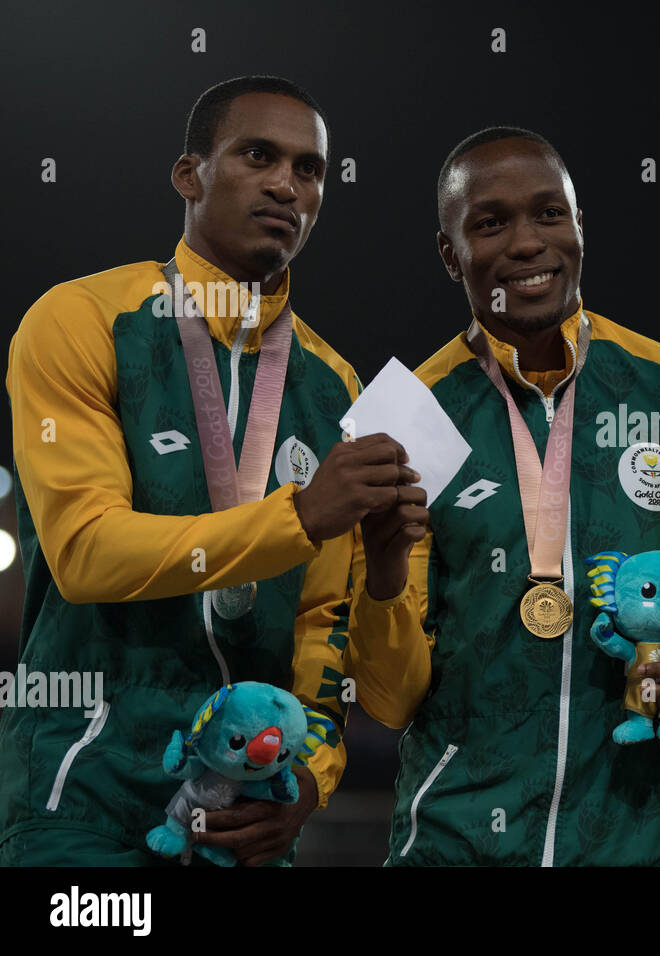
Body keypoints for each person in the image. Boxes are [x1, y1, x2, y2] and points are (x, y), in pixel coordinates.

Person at [0, 75, 425, 866]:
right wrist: (297, 518)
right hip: (80, 791)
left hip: (247, 815)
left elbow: (320, 624)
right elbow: (86, 552)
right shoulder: (84, 319)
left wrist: (308, 780)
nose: (285, 185)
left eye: (309, 169)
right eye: (258, 155)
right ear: (189, 175)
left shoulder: (336, 386)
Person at [345, 127, 660, 866]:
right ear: (450, 253)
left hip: (636, 843)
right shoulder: (406, 417)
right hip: (451, 846)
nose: (528, 243)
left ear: (580, 227)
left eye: (550, 214)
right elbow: (390, 703)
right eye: (491, 223)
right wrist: (386, 573)